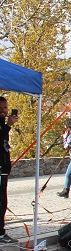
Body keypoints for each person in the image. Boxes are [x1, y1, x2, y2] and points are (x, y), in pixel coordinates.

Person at [0, 98, 20, 243]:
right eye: (1, 108)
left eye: (5, 108)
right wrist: (8, 126)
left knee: (3, 201)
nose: (4, 111)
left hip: (4, 167)